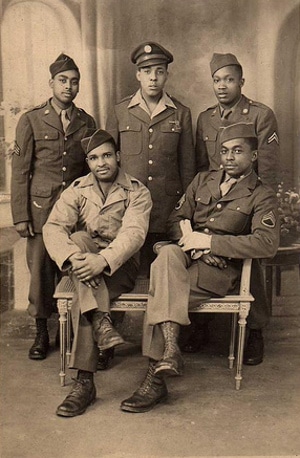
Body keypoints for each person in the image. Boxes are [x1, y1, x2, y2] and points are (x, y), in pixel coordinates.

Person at [121, 122, 279, 413]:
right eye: (224, 151)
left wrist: (210, 243)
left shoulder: (261, 194)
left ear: (254, 156)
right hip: (189, 257)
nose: (228, 157)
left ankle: (154, 379)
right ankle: (170, 352)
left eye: (237, 151)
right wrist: (196, 247)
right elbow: (174, 220)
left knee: (162, 286)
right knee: (167, 256)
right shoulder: (202, 180)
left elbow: (265, 243)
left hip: (219, 272)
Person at [43, 129, 152, 417]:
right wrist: (73, 257)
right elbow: (52, 227)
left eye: (106, 155)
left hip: (120, 266)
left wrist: (101, 261)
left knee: (84, 284)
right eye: (93, 158)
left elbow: (133, 234)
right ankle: (101, 321)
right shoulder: (78, 190)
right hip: (82, 264)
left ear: (117, 157)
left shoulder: (137, 191)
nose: (101, 163)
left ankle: (84, 383)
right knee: (78, 241)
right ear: (88, 162)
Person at [185, 52, 281, 358]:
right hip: (214, 201)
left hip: (248, 201)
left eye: (229, 79)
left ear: (241, 81)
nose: (222, 86)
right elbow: (202, 167)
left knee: (252, 260)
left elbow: (267, 170)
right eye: (217, 80)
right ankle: (201, 323)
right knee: (201, 257)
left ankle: (254, 329)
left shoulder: (260, 115)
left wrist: (254, 208)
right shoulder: (205, 119)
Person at [11, 54, 96, 361]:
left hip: (75, 212)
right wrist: (21, 215)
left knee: (73, 267)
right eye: (63, 80)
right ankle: (41, 331)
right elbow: (20, 169)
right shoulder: (31, 119)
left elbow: (91, 171)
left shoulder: (86, 121)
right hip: (40, 210)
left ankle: (70, 331)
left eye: (74, 81)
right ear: (51, 83)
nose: (69, 87)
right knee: (40, 272)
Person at [106, 41, 196, 272]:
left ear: (167, 75)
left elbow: (188, 167)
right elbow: (106, 163)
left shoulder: (181, 113)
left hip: (166, 210)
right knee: (126, 273)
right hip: (127, 209)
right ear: (138, 75)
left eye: (159, 71)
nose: (153, 78)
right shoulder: (120, 111)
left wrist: (186, 211)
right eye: (147, 72)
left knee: (162, 272)